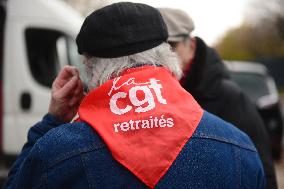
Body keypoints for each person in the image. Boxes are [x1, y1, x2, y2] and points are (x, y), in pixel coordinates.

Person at [4, 2, 265, 189]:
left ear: (90, 67)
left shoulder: (56, 153)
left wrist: (52, 121)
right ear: (167, 57)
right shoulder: (238, 146)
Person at [158, 8, 277, 189]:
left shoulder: (229, 97)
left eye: (171, 46)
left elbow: (260, 168)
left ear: (191, 44)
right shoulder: (152, 96)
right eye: (158, 48)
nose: (165, 55)